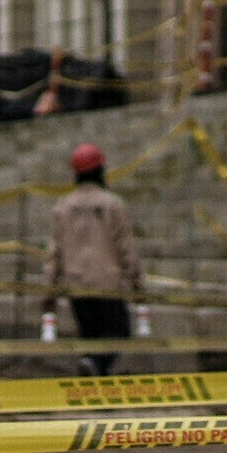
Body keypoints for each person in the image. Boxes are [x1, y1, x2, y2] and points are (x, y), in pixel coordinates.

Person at [44, 141, 143, 376]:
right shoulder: (113, 204)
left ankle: (92, 374)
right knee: (118, 333)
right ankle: (95, 367)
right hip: (108, 284)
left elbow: (54, 252)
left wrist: (49, 290)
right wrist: (138, 283)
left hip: (77, 284)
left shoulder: (64, 207)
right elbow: (127, 247)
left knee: (90, 336)